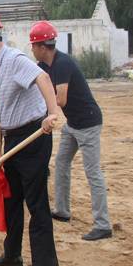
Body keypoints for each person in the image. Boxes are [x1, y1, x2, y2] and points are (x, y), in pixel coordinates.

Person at [0, 11, 60, 266]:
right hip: (12, 139)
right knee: (12, 199)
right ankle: (12, 255)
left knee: (36, 201)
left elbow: (43, 79)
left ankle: (45, 265)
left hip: (34, 135)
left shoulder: (14, 60)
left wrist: (52, 113)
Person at [29, 21, 112, 241]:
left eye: (33, 45)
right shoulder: (45, 67)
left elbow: (60, 99)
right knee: (62, 163)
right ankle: (63, 211)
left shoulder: (63, 64)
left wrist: (46, 112)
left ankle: (103, 224)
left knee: (92, 172)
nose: (32, 49)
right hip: (73, 125)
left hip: (89, 123)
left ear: (42, 46)